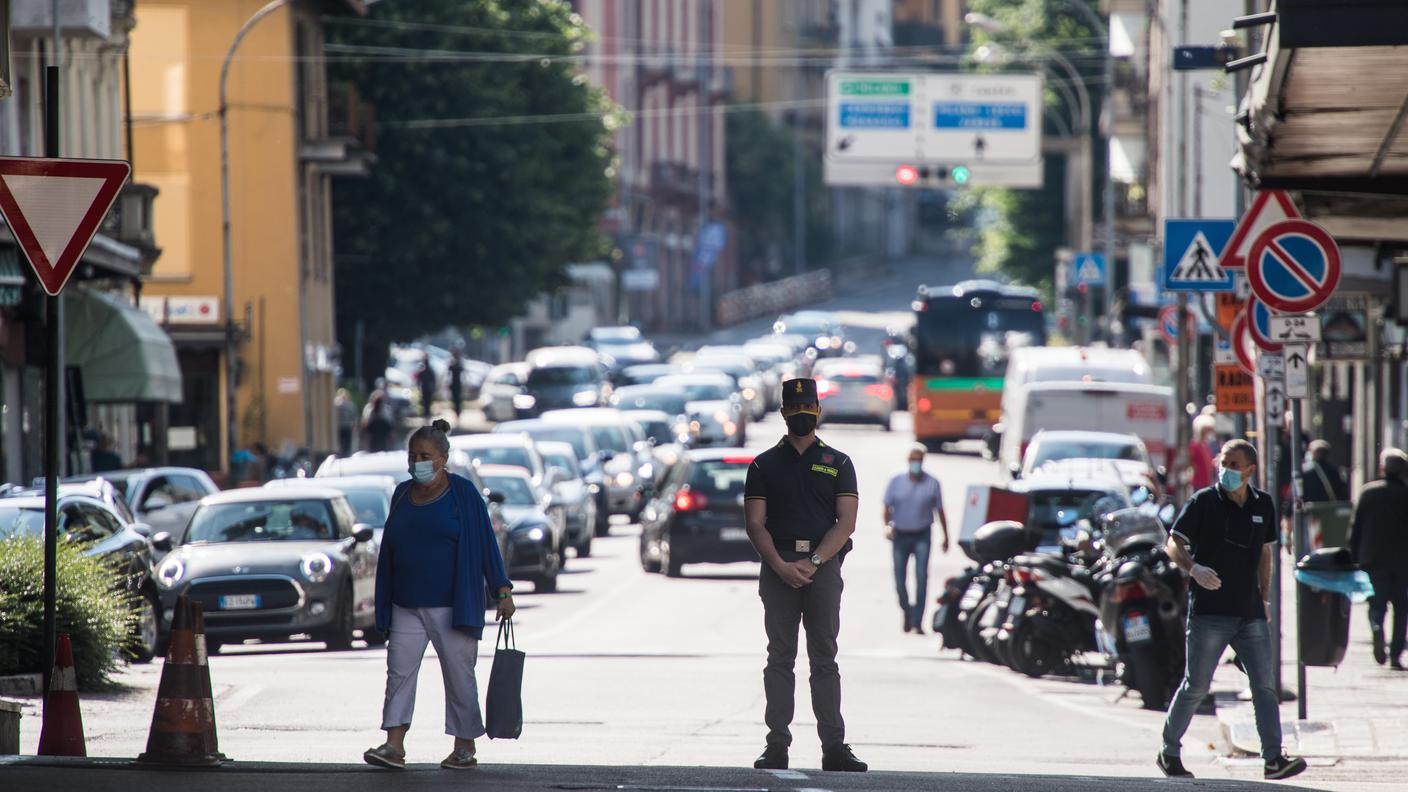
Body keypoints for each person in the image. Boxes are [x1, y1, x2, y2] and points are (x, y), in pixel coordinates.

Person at [364, 419, 515, 771]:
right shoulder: (401, 494)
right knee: (398, 674)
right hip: (405, 604)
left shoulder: (464, 495)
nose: (417, 460)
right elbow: (389, 549)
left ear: (443, 458)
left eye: (425, 455)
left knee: (459, 676)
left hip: (452, 605)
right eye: (413, 454)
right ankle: (394, 745)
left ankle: (464, 746)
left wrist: (502, 589)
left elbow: (486, 546)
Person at [1157, 439, 1306, 781]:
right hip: (1210, 612)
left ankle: (1273, 759)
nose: (1226, 469)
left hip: (1250, 612)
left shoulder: (1263, 504)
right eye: (1223, 462)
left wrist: (1264, 598)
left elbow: (1265, 553)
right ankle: (1168, 750)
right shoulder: (1203, 502)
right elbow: (1173, 542)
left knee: (1264, 686)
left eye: (1234, 464)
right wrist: (1193, 568)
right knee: (1196, 685)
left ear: (1250, 470)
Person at [743, 378, 866, 773]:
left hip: (823, 570)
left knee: (824, 658)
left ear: (818, 409)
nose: (802, 414)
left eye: (807, 407)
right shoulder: (763, 464)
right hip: (777, 568)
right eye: (794, 409)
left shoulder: (839, 463)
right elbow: (755, 524)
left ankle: (834, 746)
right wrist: (780, 566)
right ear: (782, 413)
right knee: (780, 657)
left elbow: (845, 523)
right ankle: (776, 744)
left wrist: (812, 563)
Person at [1348, 448, 1408, 668]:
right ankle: (1395, 655)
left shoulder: (1368, 492)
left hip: (1373, 558)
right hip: (1402, 561)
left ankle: (1376, 628)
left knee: (1376, 603)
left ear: (1382, 468)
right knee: (1401, 608)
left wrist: (1353, 557)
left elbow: (1356, 527)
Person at [882, 443, 949, 634]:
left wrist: (946, 537)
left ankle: (918, 620)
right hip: (900, 534)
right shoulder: (896, 481)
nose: (916, 463)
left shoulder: (932, 483)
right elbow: (886, 507)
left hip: (922, 534)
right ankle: (907, 611)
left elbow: (940, 510)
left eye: (919, 460)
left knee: (921, 577)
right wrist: (887, 526)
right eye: (913, 460)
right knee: (899, 579)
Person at [1189, 414, 1216, 491]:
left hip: (1206, 480)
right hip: (1198, 481)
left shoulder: (1205, 445)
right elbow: (1190, 459)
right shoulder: (1195, 445)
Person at [335, 388, 358, 457]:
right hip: (347, 427)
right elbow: (354, 417)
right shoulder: (350, 405)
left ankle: (340, 454)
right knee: (347, 444)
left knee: (339, 443)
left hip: (338, 427)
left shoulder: (335, 405)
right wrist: (354, 428)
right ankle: (346, 455)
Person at [417, 353, 438, 419]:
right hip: (425, 387)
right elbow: (419, 379)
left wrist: (433, 387)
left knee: (428, 401)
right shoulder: (422, 370)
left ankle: (427, 413)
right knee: (425, 400)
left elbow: (433, 379)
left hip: (428, 387)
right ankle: (426, 413)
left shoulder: (429, 370)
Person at [448, 350, 465, 427]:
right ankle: (456, 414)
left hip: (457, 384)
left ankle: (458, 414)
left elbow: (462, 372)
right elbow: (448, 372)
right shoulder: (452, 362)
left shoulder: (459, 363)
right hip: (454, 384)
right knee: (454, 400)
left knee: (458, 400)